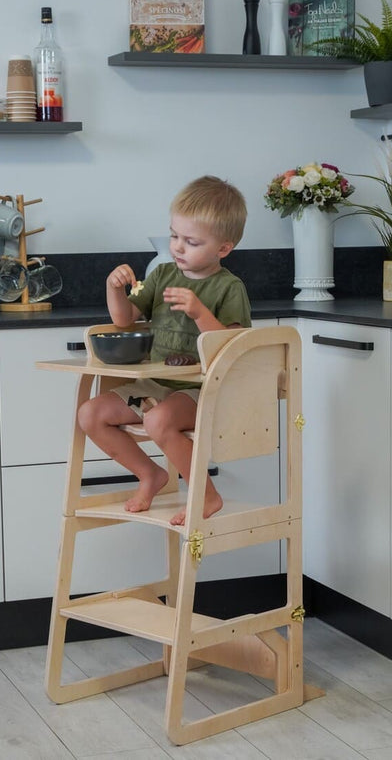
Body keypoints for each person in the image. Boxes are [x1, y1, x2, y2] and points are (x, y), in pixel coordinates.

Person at [78, 175, 251, 525]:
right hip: (154, 387)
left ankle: (206, 495)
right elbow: (124, 320)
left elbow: (232, 348)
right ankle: (150, 476)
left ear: (223, 248)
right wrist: (114, 288)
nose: (178, 247)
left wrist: (199, 312)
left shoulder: (230, 287)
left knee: (158, 420)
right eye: (174, 236)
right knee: (90, 415)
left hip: (202, 390)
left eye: (191, 241)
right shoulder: (161, 275)